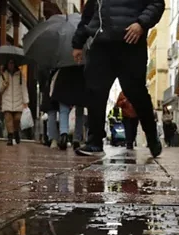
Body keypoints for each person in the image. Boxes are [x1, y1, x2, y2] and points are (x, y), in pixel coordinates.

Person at [71, 0, 165, 158]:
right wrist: (78, 43)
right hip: (101, 45)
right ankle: (94, 143)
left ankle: (151, 137)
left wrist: (141, 24)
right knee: (95, 91)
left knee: (137, 94)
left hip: (131, 43)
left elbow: (157, 3)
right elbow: (88, 15)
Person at [49, 66, 88, 150]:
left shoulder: (63, 57)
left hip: (64, 79)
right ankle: (77, 139)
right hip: (80, 79)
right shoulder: (83, 56)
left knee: (64, 110)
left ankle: (64, 135)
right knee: (79, 112)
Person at [0, 59, 30, 146]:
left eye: (12, 63)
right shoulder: (3, 75)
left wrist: (26, 101)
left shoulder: (20, 75)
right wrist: (4, 84)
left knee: (17, 119)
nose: (11, 65)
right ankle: (10, 137)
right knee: (8, 120)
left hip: (18, 101)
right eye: (9, 63)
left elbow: (24, 88)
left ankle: (16, 131)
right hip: (7, 101)